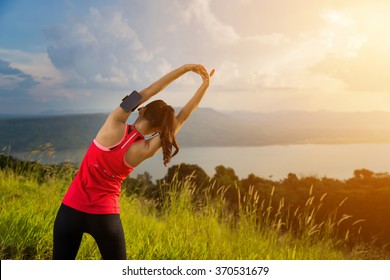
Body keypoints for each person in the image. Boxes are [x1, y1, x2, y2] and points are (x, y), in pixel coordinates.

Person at [52, 64, 214, 259]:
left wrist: (185, 69)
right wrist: (205, 86)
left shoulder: (114, 121)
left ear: (140, 110)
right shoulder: (146, 149)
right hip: (105, 218)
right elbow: (182, 118)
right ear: (158, 130)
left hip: (70, 210)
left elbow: (147, 92)